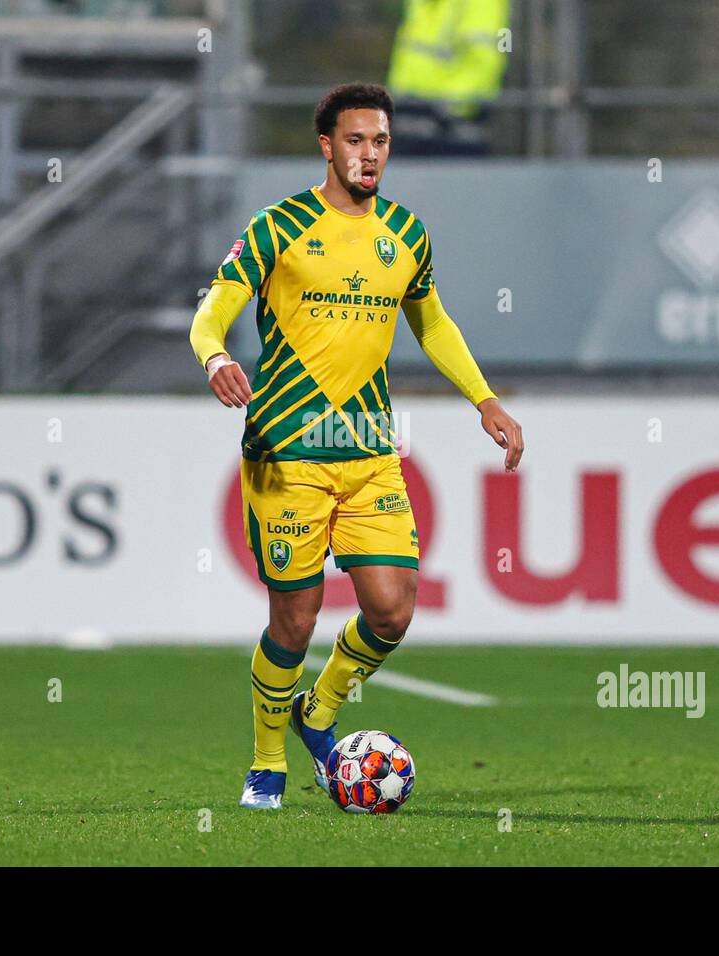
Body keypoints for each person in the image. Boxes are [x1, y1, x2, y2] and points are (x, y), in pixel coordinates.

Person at [189, 82, 524, 809]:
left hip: (370, 450)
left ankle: (320, 709)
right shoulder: (278, 227)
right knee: (296, 618)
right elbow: (210, 313)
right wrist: (216, 358)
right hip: (288, 452)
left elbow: (432, 324)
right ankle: (267, 762)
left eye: (380, 142)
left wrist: (484, 399)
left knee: (392, 611)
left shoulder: (407, 234)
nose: (369, 155)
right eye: (355, 140)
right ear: (326, 145)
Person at [386, 0, 510, 156]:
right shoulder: (422, 4)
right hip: (411, 115)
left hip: (451, 124)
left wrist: (449, 107)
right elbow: (411, 57)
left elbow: (485, 63)